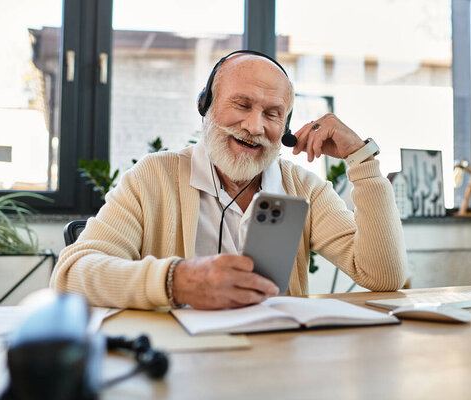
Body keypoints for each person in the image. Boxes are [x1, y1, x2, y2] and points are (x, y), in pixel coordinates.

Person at [50, 50, 408, 310]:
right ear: (206, 105)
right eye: (241, 104)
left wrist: (361, 159)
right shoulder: (153, 176)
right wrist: (177, 281)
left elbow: (383, 276)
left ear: (285, 127)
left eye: (272, 113)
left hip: (278, 362)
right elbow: (71, 276)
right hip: (179, 364)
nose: (255, 127)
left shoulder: (304, 188)